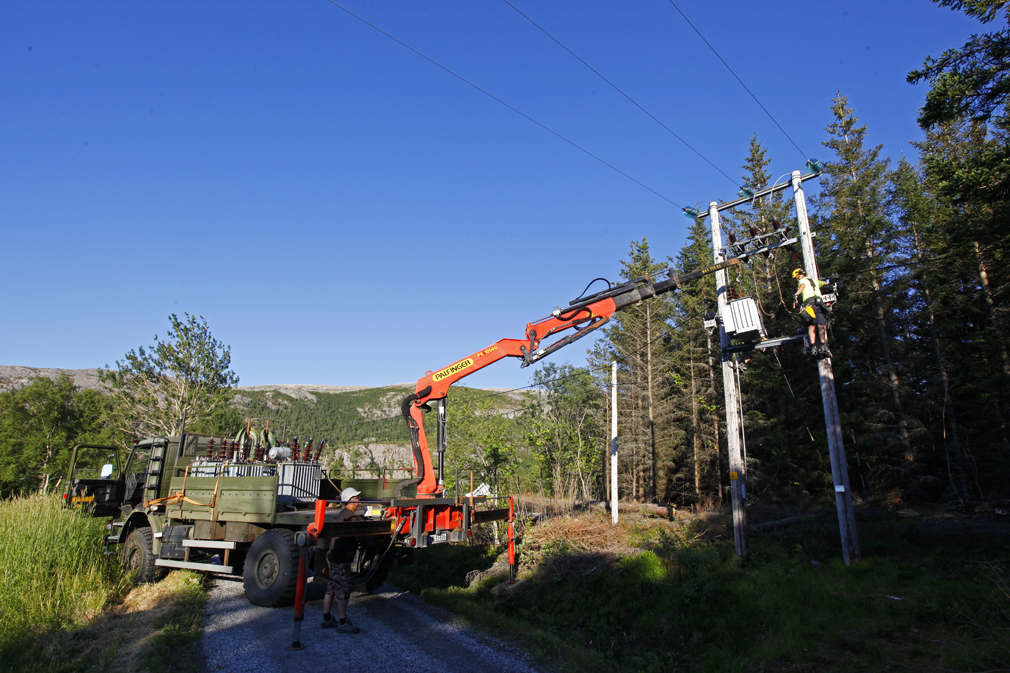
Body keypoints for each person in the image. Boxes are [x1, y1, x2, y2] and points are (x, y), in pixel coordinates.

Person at [321, 487, 362, 633]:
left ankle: (327, 618)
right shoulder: (351, 517)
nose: (359, 500)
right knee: (343, 587)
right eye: (357, 498)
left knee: (331, 587)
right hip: (341, 559)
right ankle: (343, 622)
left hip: (333, 557)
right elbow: (359, 535)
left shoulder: (343, 514)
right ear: (351, 500)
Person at [792, 268, 830, 358]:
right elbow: (824, 283)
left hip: (809, 305)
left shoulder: (802, 281)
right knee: (820, 325)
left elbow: (802, 286)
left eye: (796, 277)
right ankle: (823, 346)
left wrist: (796, 294)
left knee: (811, 326)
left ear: (798, 275)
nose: (796, 279)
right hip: (817, 304)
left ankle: (814, 348)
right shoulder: (814, 281)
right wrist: (827, 281)